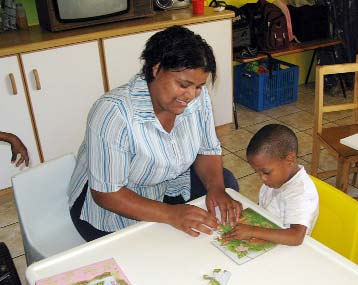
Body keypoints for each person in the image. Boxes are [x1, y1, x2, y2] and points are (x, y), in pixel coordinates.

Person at [68, 25, 243, 242]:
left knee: (224, 185)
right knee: (157, 251)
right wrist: (170, 214)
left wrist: (216, 188)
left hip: (167, 183)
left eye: (198, 86)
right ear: (156, 69)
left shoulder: (198, 97)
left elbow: (207, 149)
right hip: (113, 205)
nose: (191, 95)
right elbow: (107, 194)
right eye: (184, 84)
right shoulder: (114, 112)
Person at [222, 124, 318, 246]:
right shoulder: (275, 180)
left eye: (266, 172)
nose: (262, 178)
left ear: (290, 160)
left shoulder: (301, 192)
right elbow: (265, 205)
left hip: (288, 248)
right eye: (257, 172)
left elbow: (296, 237)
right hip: (269, 232)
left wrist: (253, 231)